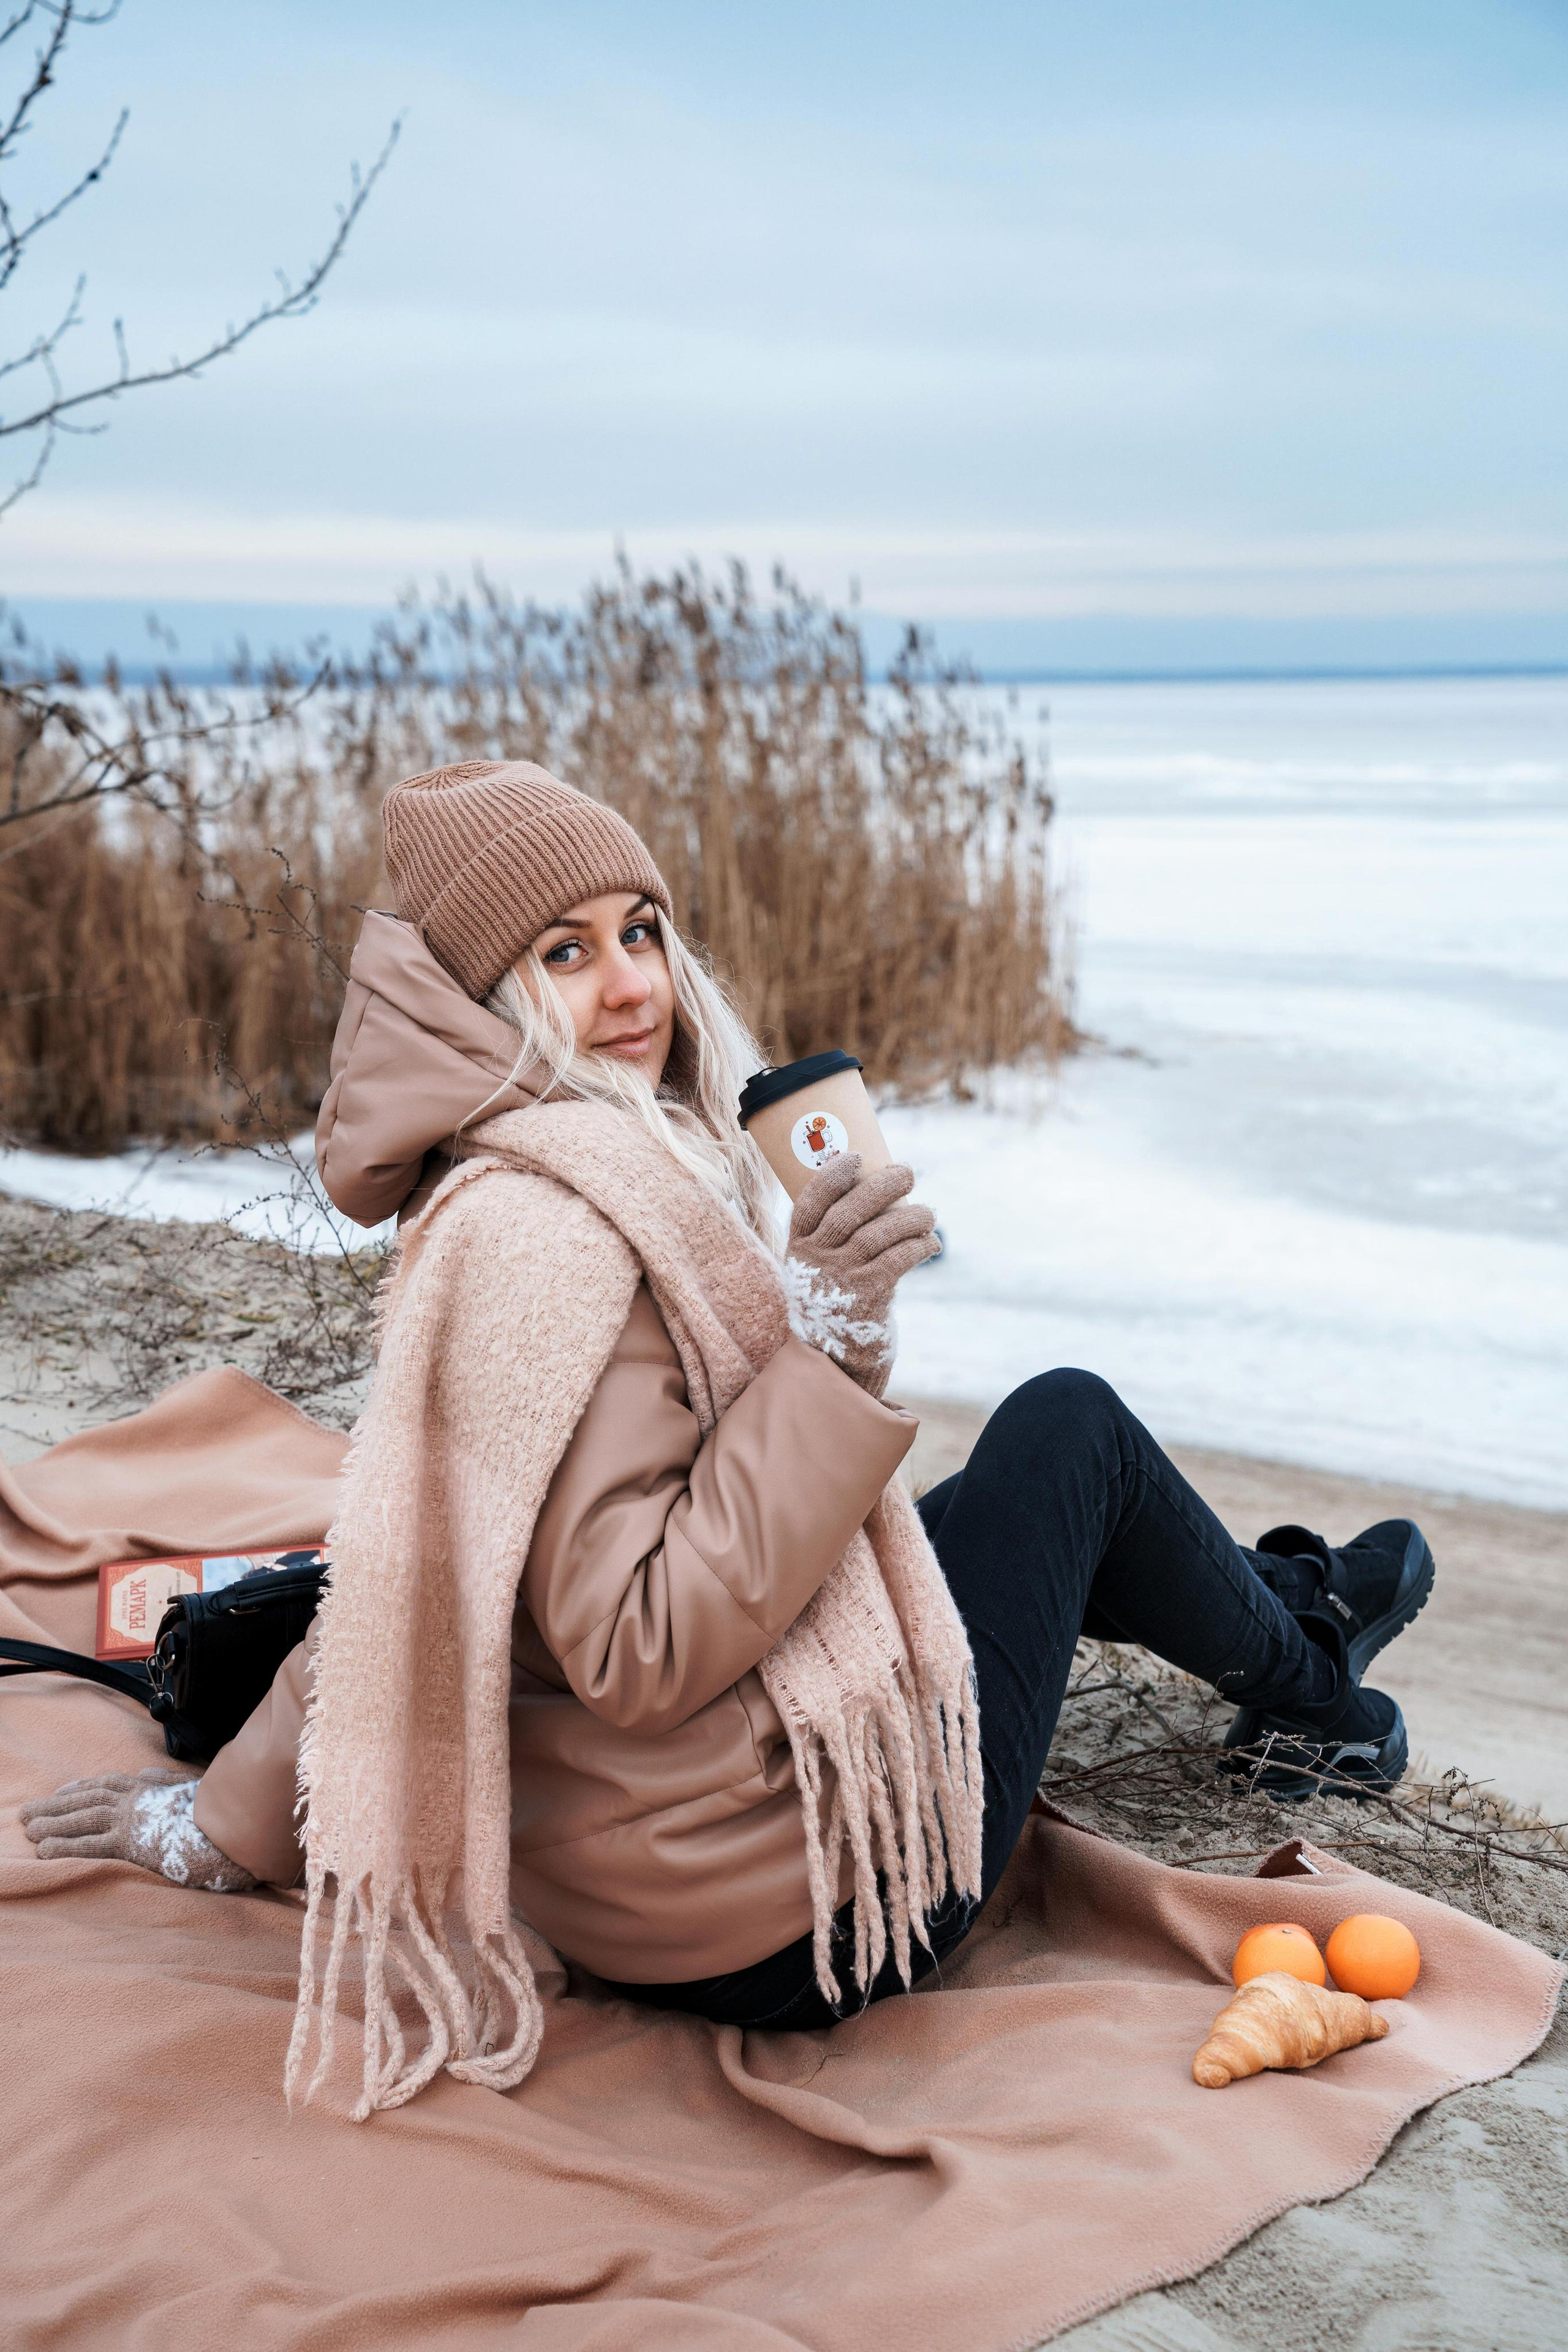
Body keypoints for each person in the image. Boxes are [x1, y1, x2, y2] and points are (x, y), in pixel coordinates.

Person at [23, 761, 1434, 2081]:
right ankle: (1319, 1695)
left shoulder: (506, 1190)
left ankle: (1286, 1606)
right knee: (1068, 1436)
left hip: (653, 1872)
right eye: (562, 954)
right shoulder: (554, 1237)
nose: (632, 984)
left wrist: (226, 1824)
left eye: (639, 929)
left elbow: (406, 1574)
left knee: (1011, 1498)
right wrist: (826, 1348)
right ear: (478, 999)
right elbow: (640, 1651)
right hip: (797, 1903)